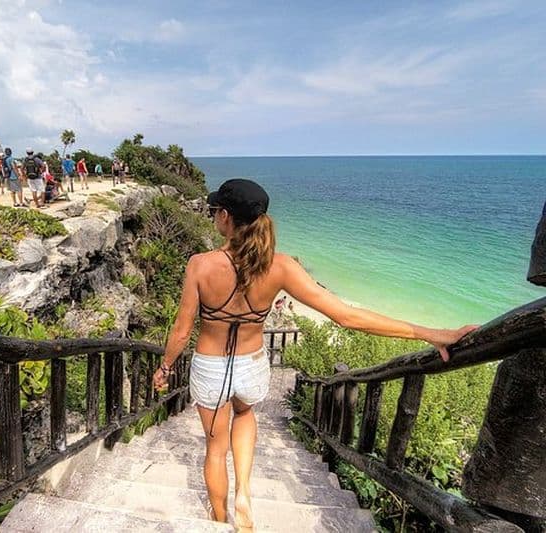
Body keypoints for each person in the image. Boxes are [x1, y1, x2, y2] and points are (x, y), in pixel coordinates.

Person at [152, 178, 477, 529]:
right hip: (252, 366)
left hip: (212, 368)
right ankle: (244, 493)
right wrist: (431, 333)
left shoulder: (200, 265)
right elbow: (346, 316)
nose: (214, 216)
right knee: (244, 415)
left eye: (216, 211)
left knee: (216, 449)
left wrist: (165, 367)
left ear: (226, 217)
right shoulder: (281, 266)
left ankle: (219, 519)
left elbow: (182, 330)